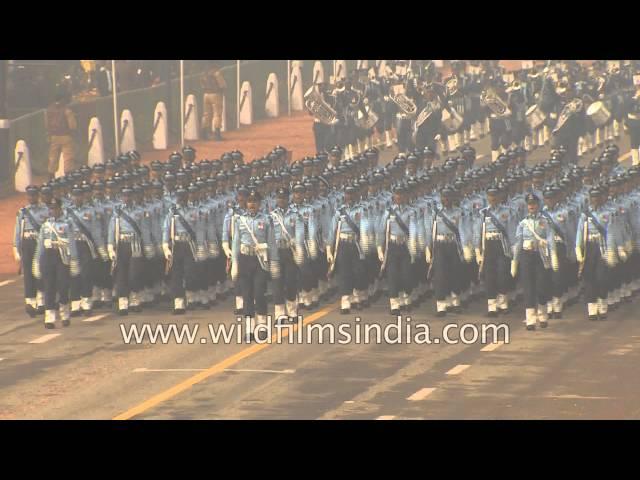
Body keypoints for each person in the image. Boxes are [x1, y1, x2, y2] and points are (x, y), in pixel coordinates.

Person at [231, 189, 279, 342]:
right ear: (246, 203)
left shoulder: (266, 220)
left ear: (259, 204)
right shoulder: (239, 220)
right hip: (245, 259)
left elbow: (272, 243)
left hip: (260, 261)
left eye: (255, 202)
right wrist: (234, 263)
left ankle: (262, 326)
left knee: (259, 293)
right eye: (250, 201)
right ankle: (249, 330)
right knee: (247, 295)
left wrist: (274, 263)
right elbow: (236, 243)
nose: (252, 204)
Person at [32, 197, 80, 329]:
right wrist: (36, 261)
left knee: (63, 287)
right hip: (48, 257)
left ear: (60, 208)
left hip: (62, 257)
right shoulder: (45, 225)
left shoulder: (67, 224)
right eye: (51, 208)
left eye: (55, 208)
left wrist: (74, 260)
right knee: (49, 287)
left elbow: (71, 243)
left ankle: (64, 314)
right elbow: (40, 246)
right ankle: (50, 318)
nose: (52, 211)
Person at [512, 193, 554, 330]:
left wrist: (553, 255)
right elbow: (518, 242)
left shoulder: (545, 221)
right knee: (528, 287)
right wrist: (515, 261)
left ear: (538, 205)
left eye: (534, 204)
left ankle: (542, 314)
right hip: (526, 256)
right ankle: (530, 319)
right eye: (529, 204)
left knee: (542, 286)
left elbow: (551, 238)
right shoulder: (522, 223)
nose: (532, 206)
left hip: (540, 256)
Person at [14, 186, 49, 317]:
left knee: (39, 271)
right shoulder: (22, 212)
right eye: (29, 195)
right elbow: (18, 232)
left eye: (33, 195)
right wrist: (16, 249)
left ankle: (41, 300)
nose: (31, 198)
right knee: (28, 273)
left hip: (40, 242)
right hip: (27, 243)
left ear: (38, 195)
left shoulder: (45, 210)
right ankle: (30, 301)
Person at [45, 86, 77, 179]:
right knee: (68, 158)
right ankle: (68, 177)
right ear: (63, 99)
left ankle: (51, 177)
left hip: (54, 136)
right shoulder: (66, 110)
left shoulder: (49, 110)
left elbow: (47, 124)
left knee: (53, 158)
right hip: (66, 136)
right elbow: (72, 125)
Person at [201, 63, 227, 141]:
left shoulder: (204, 73)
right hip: (215, 94)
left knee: (206, 114)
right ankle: (217, 134)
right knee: (217, 114)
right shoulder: (216, 73)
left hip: (206, 94)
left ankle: (204, 133)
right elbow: (223, 85)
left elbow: (202, 85)